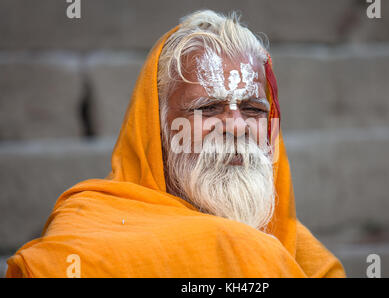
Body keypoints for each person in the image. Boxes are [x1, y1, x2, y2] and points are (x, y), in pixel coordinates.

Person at [6, 10, 345, 278]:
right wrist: (244, 252)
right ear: (156, 127)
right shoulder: (88, 231)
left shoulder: (299, 251)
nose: (238, 126)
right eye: (208, 108)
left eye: (253, 109)